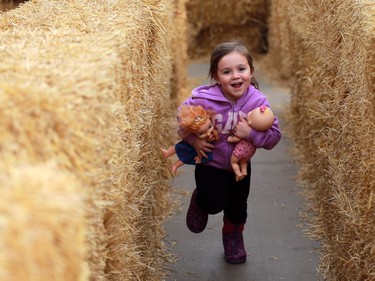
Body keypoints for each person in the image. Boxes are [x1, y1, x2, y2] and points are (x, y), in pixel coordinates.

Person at [177, 40, 281, 264]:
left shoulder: (258, 102)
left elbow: (274, 137)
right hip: (210, 162)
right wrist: (194, 140)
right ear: (216, 76)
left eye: (241, 69)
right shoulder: (204, 99)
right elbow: (182, 120)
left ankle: (233, 237)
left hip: (240, 166)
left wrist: (250, 134)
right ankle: (201, 200)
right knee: (214, 203)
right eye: (227, 71)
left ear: (251, 71)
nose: (235, 76)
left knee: (237, 206)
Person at [161, 105, 219, 175]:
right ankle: (167, 153)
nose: (208, 133)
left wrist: (199, 157)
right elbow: (180, 112)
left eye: (210, 127)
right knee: (180, 146)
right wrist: (193, 140)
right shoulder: (193, 136)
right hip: (194, 145)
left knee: (187, 157)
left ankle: (175, 166)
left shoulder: (211, 136)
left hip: (199, 152)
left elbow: (204, 150)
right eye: (201, 134)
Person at [227, 105, 275, 181]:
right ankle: (244, 171)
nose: (250, 112)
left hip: (239, 151)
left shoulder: (245, 131)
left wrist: (230, 139)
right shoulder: (258, 132)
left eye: (251, 113)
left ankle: (238, 173)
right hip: (250, 152)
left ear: (249, 122)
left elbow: (238, 138)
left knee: (234, 162)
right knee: (243, 162)